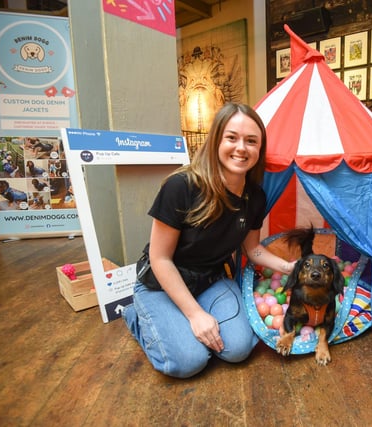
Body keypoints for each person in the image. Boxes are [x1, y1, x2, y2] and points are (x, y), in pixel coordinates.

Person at [123, 103, 296, 379]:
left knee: (239, 349)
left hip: (210, 281)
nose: (241, 147)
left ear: (259, 150)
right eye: (232, 137)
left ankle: (181, 324)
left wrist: (289, 268)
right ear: (216, 139)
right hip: (162, 284)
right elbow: (160, 258)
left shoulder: (256, 197)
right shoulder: (181, 186)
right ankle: (137, 317)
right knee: (189, 361)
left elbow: (252, 249)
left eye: (251, 141)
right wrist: (194, 315)